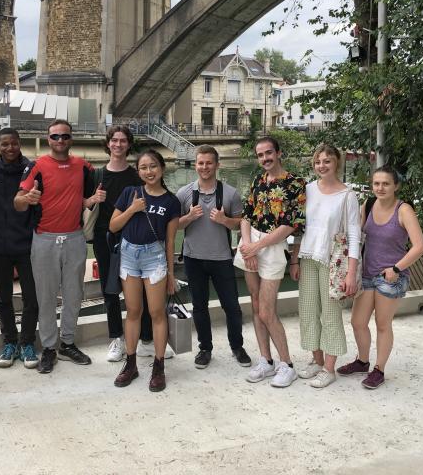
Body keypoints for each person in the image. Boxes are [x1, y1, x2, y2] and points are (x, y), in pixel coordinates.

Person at [15, 119, 103, 374]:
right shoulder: (36, 166)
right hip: (44, 239)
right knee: (46, 297)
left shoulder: (83, 166)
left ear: (71, 138)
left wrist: (91, 200)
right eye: (55, 136)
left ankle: (67, 342)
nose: (60, 141)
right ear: (48, 138)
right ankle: (50, 348)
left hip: (75, 238)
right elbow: (17, 202)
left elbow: (82, 199)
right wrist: (27, 199)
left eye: (65, 136)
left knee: (74, 294)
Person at [338, 165, 423, 389]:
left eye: (386, 183)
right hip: (367, 274)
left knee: (382, 324)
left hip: (391, 276)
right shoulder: (367, 204)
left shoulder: (404, 210)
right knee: (358, 322)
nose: (380, 187)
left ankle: (379, 369)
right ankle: (362, 361)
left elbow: (419, 247)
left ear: (396, 185)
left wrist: (395, 269)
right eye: (376, 183)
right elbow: (356, 236)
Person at [89, 125, 172, 362]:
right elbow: (83, 204)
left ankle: (147, 339)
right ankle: (117, 338)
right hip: (106, 237)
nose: (118, 144)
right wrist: (92, 199)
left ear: (128, 144)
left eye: (123, 141)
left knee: (145, 294)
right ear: (108, 144)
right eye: (114, 140)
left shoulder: (138, 175)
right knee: (110, 290)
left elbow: (162, 202)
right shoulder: (97, 174)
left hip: (136, 240)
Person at [235, 136, 306, 388]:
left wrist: (257, 247)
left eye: (268, 153)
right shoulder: (257, 180)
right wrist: (248, 247)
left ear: (279, 153)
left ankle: (286, 364)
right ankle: (266, 360)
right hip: (250, 243)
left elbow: (290, 225)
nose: (265, 158)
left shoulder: (295, 183)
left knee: (267, 310)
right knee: (255, 306)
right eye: (260, 155)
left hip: (273, 245)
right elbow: (245, 217)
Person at [109, 149, 180, 392]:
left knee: (157, 312)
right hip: (129, 255)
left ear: (161, 168)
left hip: (155, 257)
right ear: (138, 171)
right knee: (133, 310)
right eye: (143, 168)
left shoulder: (171, 201)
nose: (148, 172)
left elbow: (170, 241)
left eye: (153, 166)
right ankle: (131, 364)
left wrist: (171, 274)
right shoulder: (130, 193)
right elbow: (113, 225)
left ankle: (158, 366)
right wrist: (132, 209)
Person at [292, 144, 360, 388]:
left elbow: (354, 235)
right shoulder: (308, 190)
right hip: (308, 258)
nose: (322, 165)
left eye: (327, 161)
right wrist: (294, 258)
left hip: (335, 261)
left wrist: (351, 273)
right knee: (309, 312)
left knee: (330, 315)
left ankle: (329, 369)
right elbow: (300, 228)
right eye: (318, 161)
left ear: (336, 163)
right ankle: (317, 360)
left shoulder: (347, 195)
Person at [176, 145, 251, 369]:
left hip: (221, 258)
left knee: (232, 306)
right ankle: (205, 348)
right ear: (195, 165)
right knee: (199, 306)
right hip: (193, 258)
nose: (204, 167)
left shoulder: (230, 193)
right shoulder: (184, 193)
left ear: (217, 165)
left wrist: (224, 220)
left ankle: (237, 346)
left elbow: (240, 224)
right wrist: (188, 217)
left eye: (209, 163)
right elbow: (174, 226)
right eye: (200, 163)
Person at [0, 128, 39, 369]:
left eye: (13, 143)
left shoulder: (32, 170)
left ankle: (28, 342)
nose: (10, 148)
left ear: (20, 143)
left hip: (27, 245)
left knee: (31, 299)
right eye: (4, 144)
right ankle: (10, 341)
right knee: (3, 299)